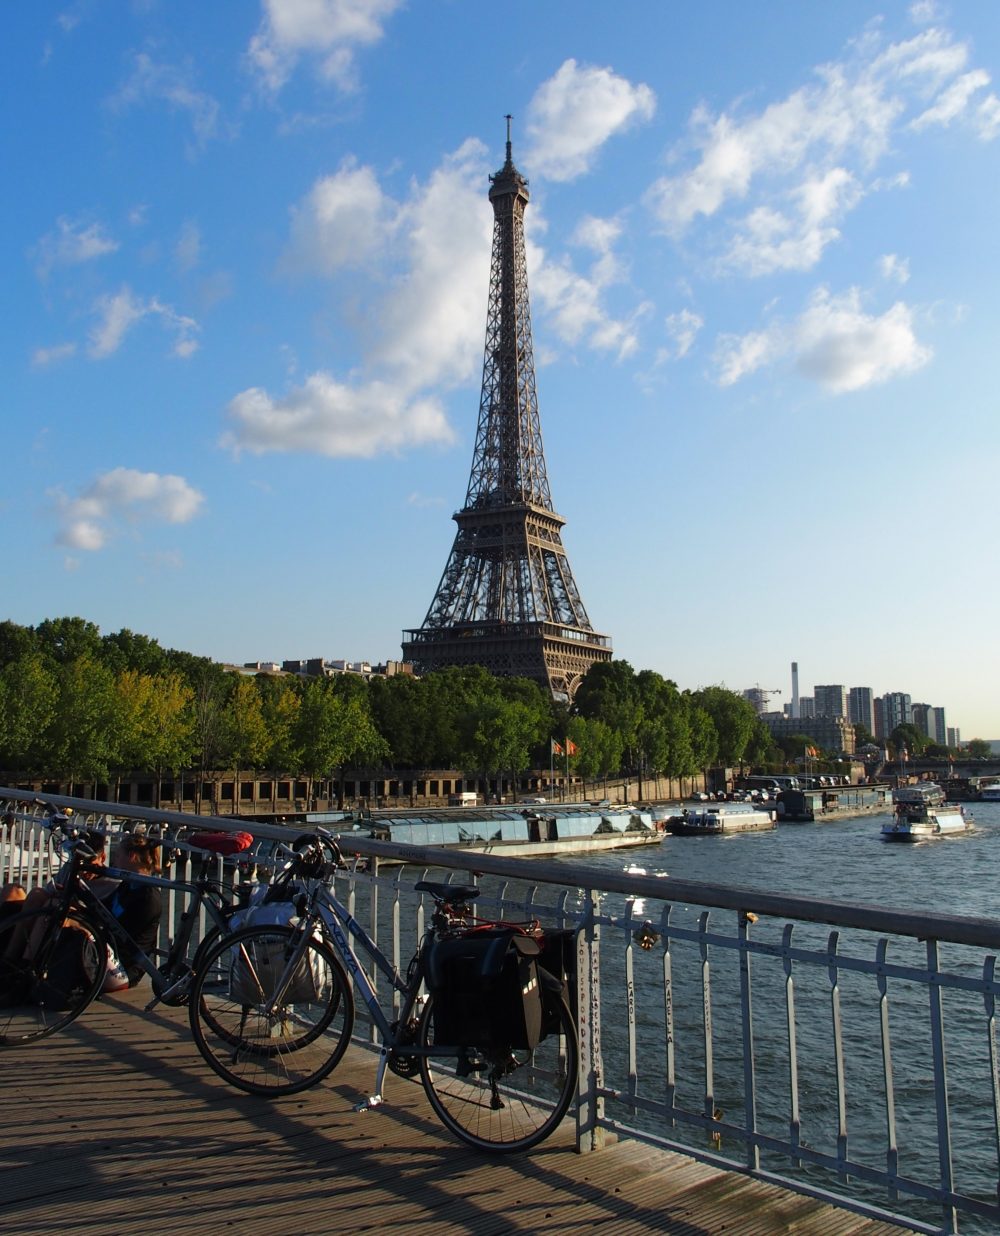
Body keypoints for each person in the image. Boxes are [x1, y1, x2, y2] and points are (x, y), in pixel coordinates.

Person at [101, 835, 162, 991]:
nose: (114, 861)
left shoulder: (148, 898)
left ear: (131, 857)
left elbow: (124, 938)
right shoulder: (127, 886)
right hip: (109, 955)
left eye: (117, 856)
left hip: (124, 970)